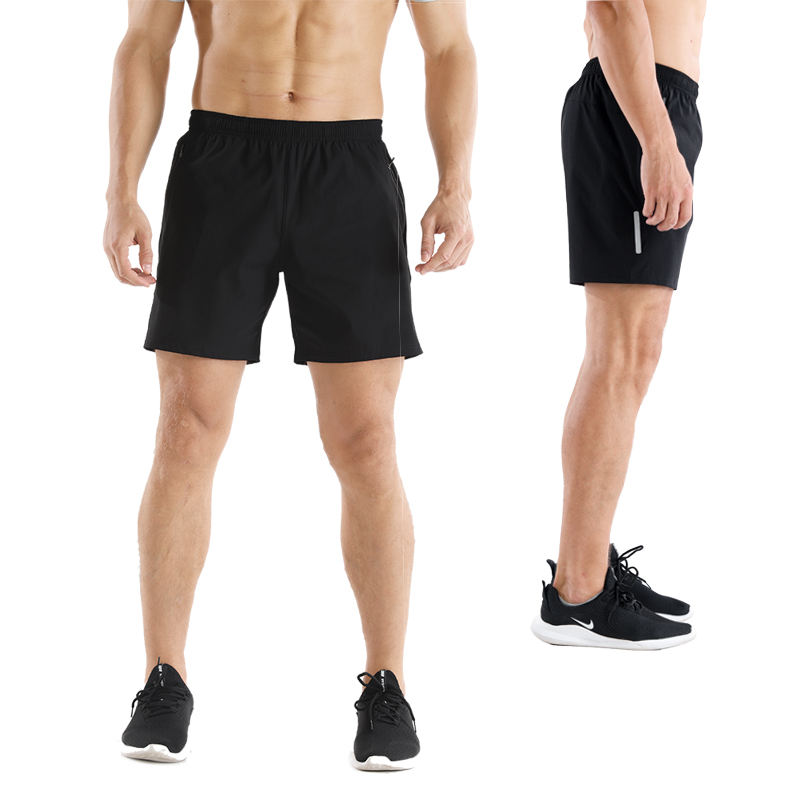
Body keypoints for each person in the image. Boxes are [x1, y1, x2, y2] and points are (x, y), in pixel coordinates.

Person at [103, 0, 475, 768]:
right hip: (221, 159)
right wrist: (120, 191)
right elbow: (143, 43)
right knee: (186, 427)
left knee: (367, 439)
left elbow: (449, 48)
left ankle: (387, 685)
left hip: (349, 166)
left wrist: (457, 184)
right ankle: (163, 679)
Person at [531, 0, 705, 650]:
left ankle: (588, 565)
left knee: (635, 351)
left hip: (652, 99)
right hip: (636, 103)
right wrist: (656, 139)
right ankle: (578, 593)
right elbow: (610, 8)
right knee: (620, 353)